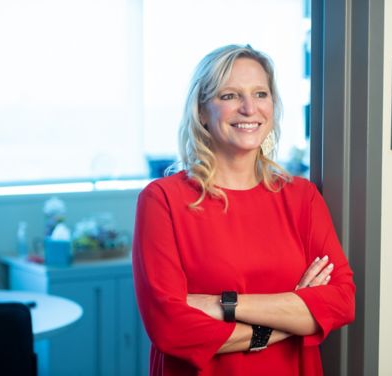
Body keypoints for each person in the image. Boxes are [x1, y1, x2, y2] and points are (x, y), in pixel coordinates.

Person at [132, 44, 355, 376]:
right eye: (229, 96)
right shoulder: (163, 200)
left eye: (260, 94)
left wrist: (225, 305)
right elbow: (171, 327)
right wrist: (292, 314)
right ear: (202, 111)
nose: (249, 108)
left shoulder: (301, 197)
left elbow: (340, 302)